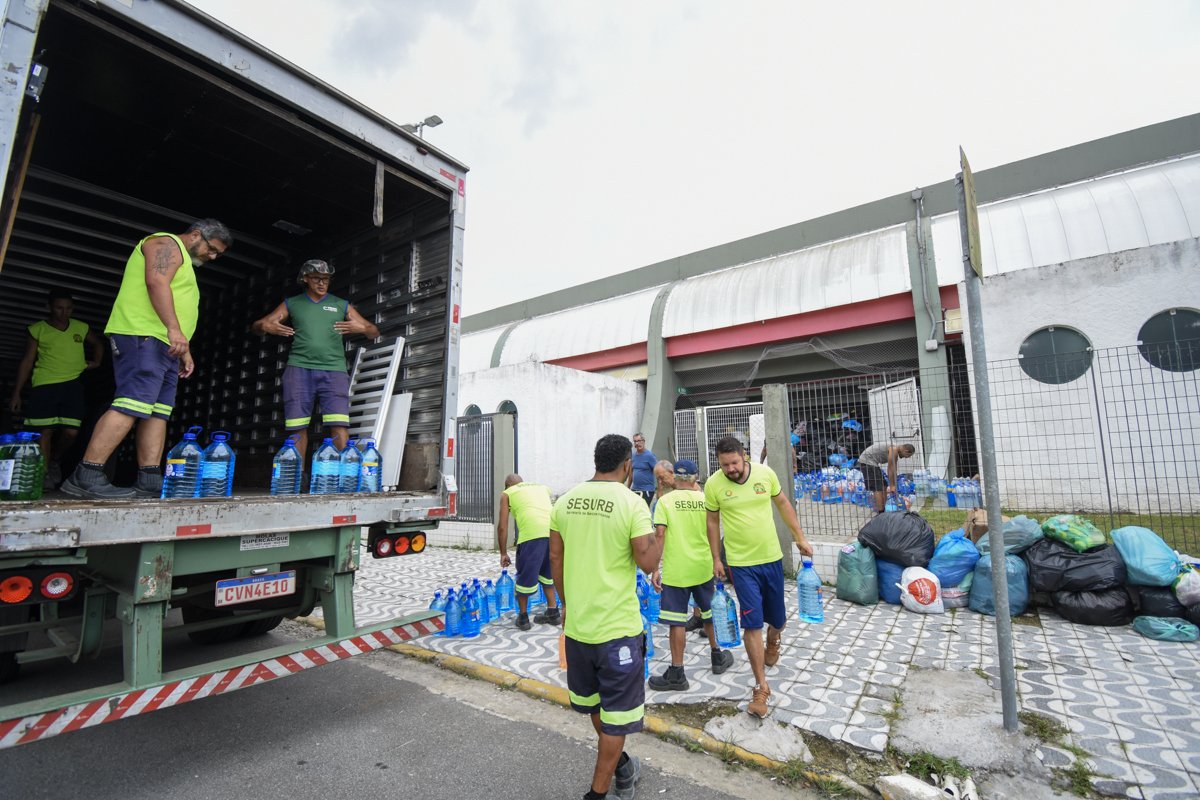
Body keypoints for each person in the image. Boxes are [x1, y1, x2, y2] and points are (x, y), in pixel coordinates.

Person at [61, 220, 232, 499]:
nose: (212, 257)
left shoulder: (184, 261)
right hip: (143, 335)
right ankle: (86, 473)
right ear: (196, 235)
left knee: (158, 411)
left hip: (165, 344)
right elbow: (156, 281)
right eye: (211, 249)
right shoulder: (166, 243)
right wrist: (175, 330)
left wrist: (184, 347)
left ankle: (149, 479)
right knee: (132, 402)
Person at [550, 434, 663, 800]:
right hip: (618, 631)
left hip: (580, 627)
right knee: (616, 715)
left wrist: (568, 605)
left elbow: (556, 560)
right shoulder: (632, 504)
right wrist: (662, 532)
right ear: (628, 465)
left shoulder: (564, 501)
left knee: (597, 707)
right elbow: (648, 562)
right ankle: (598, 794)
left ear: (596, 461)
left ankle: (623, 766)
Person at [705, 435, 812, 719]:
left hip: (771, 559)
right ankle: (761, 686)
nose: (730, 469)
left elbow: (784, 504)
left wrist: (798, 537)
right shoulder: (714, 484)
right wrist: (716, 558)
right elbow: (712, 521)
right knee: (751, 623)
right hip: (740, 565)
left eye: (735, 463)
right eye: (725, 465)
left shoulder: (765, 475)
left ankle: (774, 640)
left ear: (745, 457)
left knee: (778, 620)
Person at [251, 259, 379, 463]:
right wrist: (266, 327)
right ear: (305, 279)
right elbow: (259, 326)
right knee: (297, 425)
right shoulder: (292, 303)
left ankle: (343, 474)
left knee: (339, 423)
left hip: (334, 370)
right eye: (317, 279)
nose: (322, 283)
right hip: (299, 369)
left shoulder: (340, 304)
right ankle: (298, 477)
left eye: (326, 280)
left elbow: (373, 332)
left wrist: (362, 329)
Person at [648, 459, 734, 691]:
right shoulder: (706, 499)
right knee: (708, 613)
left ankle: (677, 672)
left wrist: (655, 568)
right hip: (704, 567)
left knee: (676, 621)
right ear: (696, 478)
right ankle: (717, 656)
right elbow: (714, 531)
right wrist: (717, 560)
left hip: (677, 571)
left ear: (675, 477)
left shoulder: (665, 502)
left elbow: (660, 536)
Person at [9, 289, 105, 489]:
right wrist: (16, 393)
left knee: (71, 432)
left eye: (68, 308)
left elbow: (98, 344)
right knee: (46, 431)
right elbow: (27, 361)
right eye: (59, 308)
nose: (64, 312)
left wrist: (96, 362)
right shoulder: (38, 329)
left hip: (73, 385)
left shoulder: (81, 327)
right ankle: (44, 474)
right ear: (49, 307)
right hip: (44, 384)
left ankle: (54, 458)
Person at [496, 473, 560, 630]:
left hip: (531, 538)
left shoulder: (507, 493)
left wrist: (503, 553)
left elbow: (502, 527)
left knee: (524, 577)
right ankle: (553, 613)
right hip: (553, 533)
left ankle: (523, 618)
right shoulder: (542, 488)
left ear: (508, 486)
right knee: (547, 574)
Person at [857, 441, 916, 512]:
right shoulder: (894, 449)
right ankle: (881, 512)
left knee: (884, 485)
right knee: (877, 488)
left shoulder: (895, 451)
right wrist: (892, 485)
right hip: (867, 461)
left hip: (872, 463)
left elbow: (894, 469)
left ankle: (883, 508)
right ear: (906, 451)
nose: (906, 458)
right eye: (908, 456)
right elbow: (890, 469)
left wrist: (893, 483)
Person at [625, 432, 656, 506]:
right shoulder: (633, 456)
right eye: (635, 441)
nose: (637, 443)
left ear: (643, 441)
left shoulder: (650, 456)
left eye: (639, 441)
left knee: (643, 510)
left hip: (647, 490)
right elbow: (631, 473)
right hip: (635, 489)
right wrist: (628, 488)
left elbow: (658, 471)